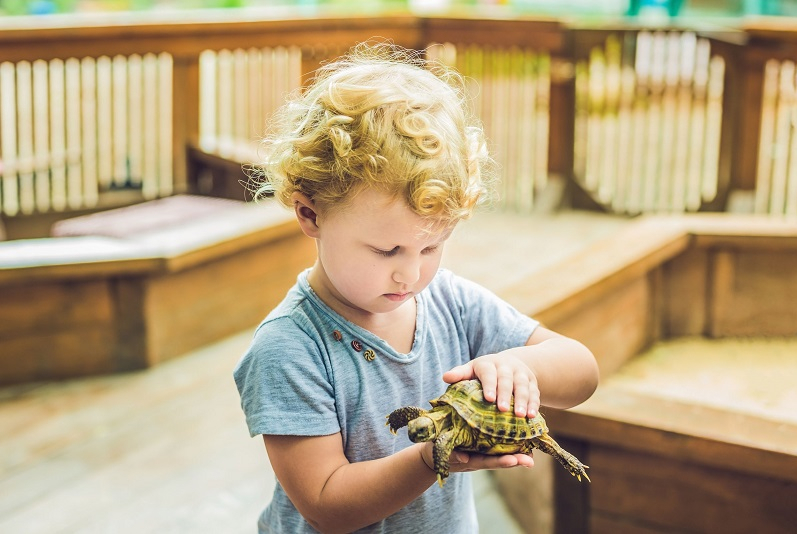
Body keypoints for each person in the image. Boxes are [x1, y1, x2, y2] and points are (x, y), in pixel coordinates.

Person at [233, 41, 599, 534]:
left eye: (431, 248)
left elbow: (582, 372)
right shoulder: (290, 347)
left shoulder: (448, 301)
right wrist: (433, 456)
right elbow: (327, 504)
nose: (410, 275)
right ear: (310, 213)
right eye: (387, 252)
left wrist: (520, 367)